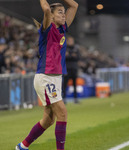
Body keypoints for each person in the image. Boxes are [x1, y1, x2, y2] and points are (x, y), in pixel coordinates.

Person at [15, 0, 78, 150]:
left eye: (64, 12)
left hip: (55, 77)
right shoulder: (47, 29)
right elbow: (45, 8)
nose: (63, 15)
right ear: (51, 16)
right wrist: (47, 8)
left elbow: (74, 5)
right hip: (46, 76)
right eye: (60, 12)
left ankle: (22, 146)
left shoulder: (62, 29)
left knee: (49, 119)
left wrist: (65, 9)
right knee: (62, 112)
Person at [63, 36, 80, 103]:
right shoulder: (65, 48)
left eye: (72, 41)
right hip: (67, 68)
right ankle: (64, 98)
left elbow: (78, 57)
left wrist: (69, 55)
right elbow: (64, 57)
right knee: (65, 84)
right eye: (69, 41)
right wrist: (72, 56)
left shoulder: (76, 48)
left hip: (74, 68)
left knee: (75, 84)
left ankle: (75, 99)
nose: (71, 42)